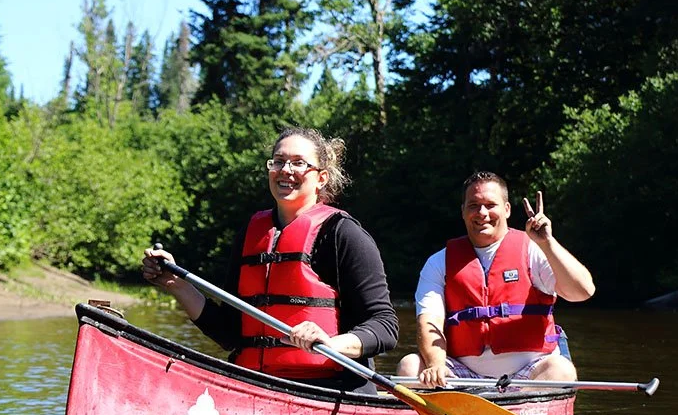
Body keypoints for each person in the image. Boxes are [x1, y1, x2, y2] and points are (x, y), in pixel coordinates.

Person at [142, 127, 398, 394]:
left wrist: (332, 344)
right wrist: (176, 284)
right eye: (278, 161)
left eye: (299, 163)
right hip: (257, 387)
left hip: (330, 389)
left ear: (321, 178)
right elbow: (230, 332)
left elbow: (385, 326)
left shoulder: (344, 234)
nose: (285, 170)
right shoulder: (252, 234)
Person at [396, 171, 595, 389]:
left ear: (507, 209)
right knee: (410, 367)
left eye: (491, 205)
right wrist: (435, 364)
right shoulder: (438, 263)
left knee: (561, 370)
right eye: (473, 205)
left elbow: (582, 291)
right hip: (465, 376)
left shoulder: (534, 251)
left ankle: (521, 414)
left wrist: (547, 242)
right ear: (463, 212)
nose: (482, 213)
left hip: (530, 374)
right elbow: (429, 323)